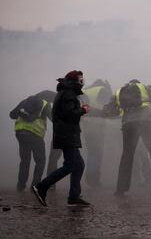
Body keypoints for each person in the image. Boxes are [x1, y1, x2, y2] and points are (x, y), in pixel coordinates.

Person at [32, 70, 91, 207]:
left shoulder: (66, 92)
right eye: (81, 80)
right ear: (74, 81)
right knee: (69, 165)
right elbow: (69, 114)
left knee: (79, 165)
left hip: (67, 134)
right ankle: (41, 187)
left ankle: (74, 197)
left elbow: (66, 113)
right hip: (67, 134)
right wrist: (84, 110)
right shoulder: (69, 94)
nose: (83, 83)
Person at [103, 79, 151, 196]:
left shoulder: (118, 91)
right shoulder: (144, 87)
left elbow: (107, 110)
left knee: (127, 155)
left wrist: (121, 111)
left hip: (128, 123)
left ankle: (121, 189)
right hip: (146, 121)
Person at [9, 90, 55, 192]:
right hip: (35, 134)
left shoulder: (25, 101)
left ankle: (20, 186)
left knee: (25, 161)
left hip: (20, 134)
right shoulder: (45, 104)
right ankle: (35, 187)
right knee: (40, 161)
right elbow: (54, 119)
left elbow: (12, 115)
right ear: (48, 98)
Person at [81, 79, 112, 187]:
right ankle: (93, 179)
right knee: (97, 152)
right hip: (97, 124)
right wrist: (109, 89)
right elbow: (109, 103)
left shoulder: (85, 91)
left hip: (86, 124)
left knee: (91, 152)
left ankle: (90, 177)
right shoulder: (101, 90)